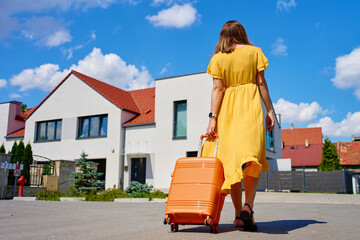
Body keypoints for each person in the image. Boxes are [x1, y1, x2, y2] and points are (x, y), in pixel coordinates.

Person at [204, 20, 275, 232]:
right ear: (242, 33)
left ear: (222, 36)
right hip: (250, 109)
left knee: (232, 162)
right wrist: (270, 110)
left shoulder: (218, 59)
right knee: (251, 158)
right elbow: (261, 83)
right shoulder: (255, 52)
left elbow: (217, 89)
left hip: (227, 112)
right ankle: (248, 207)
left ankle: (237, 215)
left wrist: (212, 118)